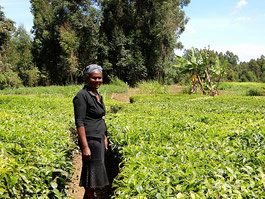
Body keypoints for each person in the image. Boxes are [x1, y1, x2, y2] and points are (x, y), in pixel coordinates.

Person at [73, 64, 109, 199]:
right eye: (94, 78)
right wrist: (85, 146)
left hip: (99, 137)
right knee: (90, 172)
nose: (97, 81)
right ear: (88, 78)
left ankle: (88, 196)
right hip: (90, 139)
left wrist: (104, 136)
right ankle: (90, 197)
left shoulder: (97, 95)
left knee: (96, 171)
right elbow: (79, 122)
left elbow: (101, 118)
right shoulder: (81, 96)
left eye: (99, 78)